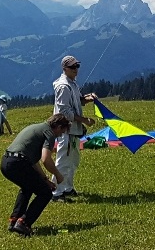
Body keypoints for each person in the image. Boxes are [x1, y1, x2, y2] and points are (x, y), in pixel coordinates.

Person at [0, 113, 71, 237]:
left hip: (7, 162)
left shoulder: (36, 127)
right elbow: (45, 159)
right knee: (46, 193)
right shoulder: (49, 133)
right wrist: (58, 175)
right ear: (58, 126)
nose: (60, 135)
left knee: (27, 188)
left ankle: (14, 220)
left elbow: (33, 161)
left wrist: (45, 180)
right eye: (62, 131)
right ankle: (24, 223)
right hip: (18, 163)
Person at [51, 55, 96, 201]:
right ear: (64, 69)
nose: (76, 69)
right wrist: (84, 120)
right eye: (72, 67)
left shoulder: (72, 83)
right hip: (66, 130)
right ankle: (56, 192)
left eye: (77, 66)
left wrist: (87, 99)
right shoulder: (63, 86)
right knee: (63, 160)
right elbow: (65, 112)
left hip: (74, 130)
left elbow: (77, 101)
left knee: (73, 161)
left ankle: (68, 188)